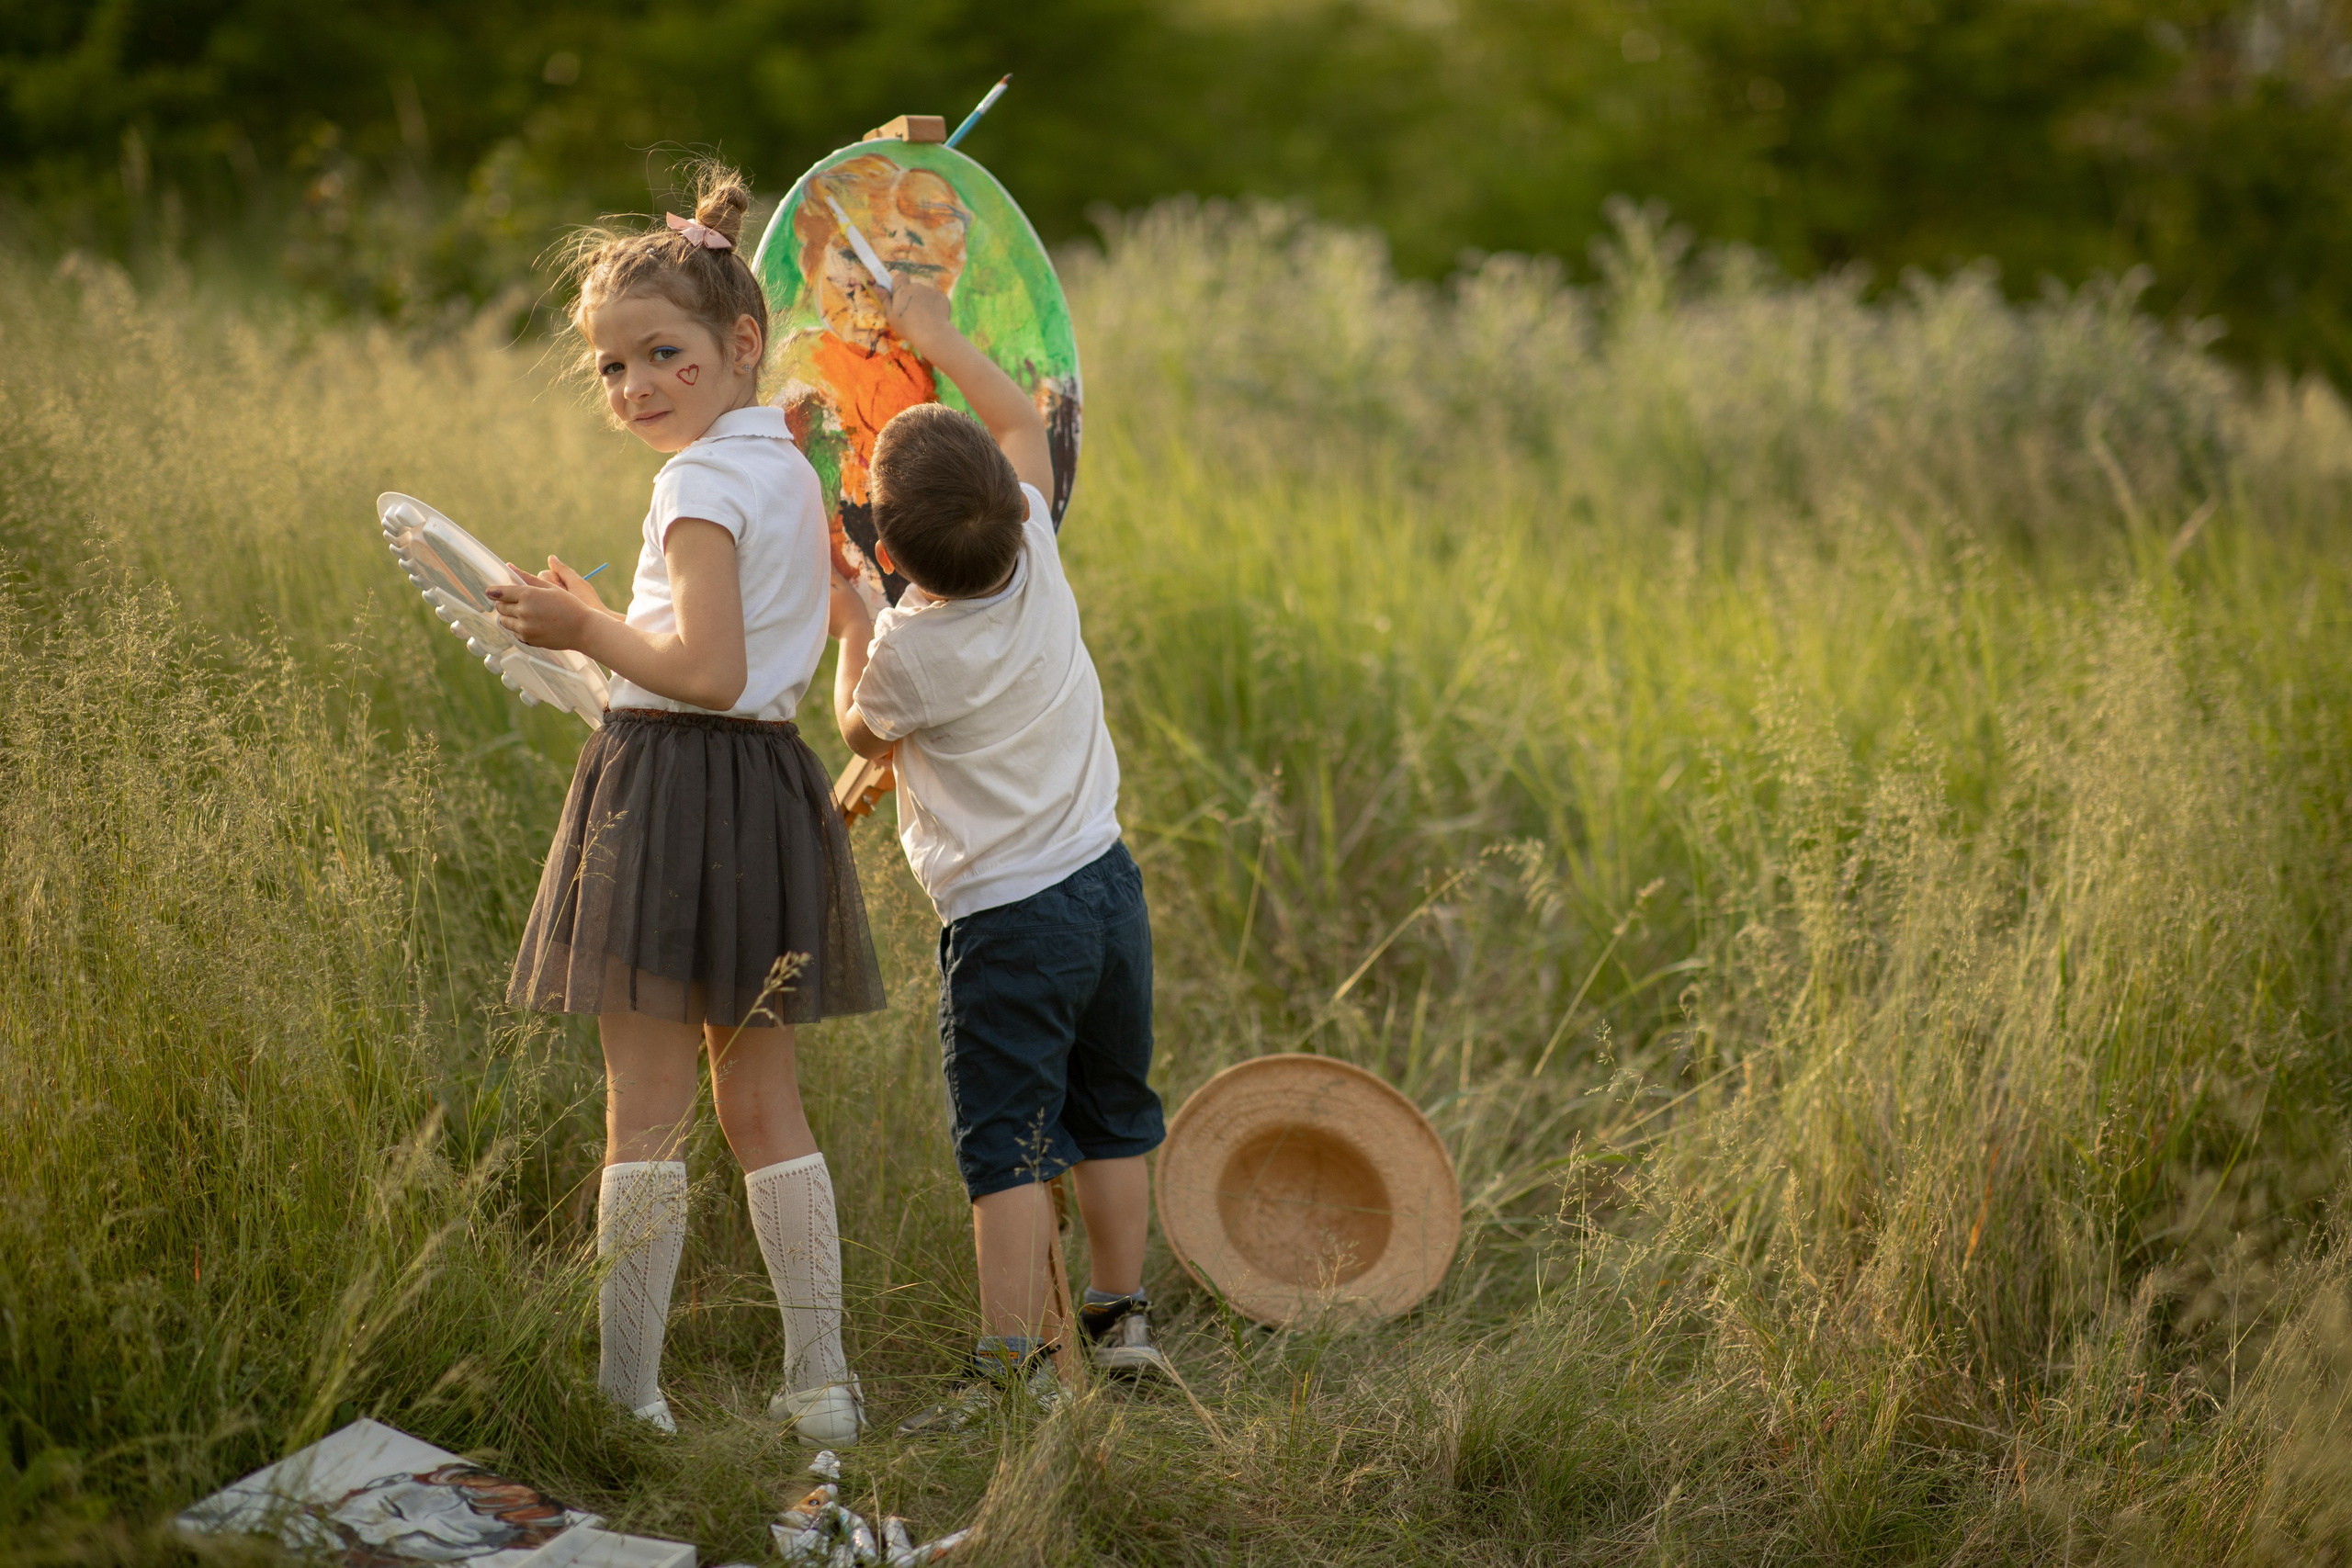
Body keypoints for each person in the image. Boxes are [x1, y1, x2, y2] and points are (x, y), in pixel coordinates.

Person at [488, 163, 888, 1444]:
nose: (636, 387)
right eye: (611, 368)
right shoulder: (782, 457)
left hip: (671, 789)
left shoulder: (695, 485)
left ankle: (628, 1394)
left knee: (645, 1108)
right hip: (767, 788)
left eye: (663, 354)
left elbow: (703, 672)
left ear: (741, 343)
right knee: (764, 1102)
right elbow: (747, 647)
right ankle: (822, 1382)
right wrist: (611, 621)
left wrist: (587, 624)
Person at [826, 274, 1171, 1434]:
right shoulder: (1036, 549)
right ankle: (1122, 1321)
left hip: (1007, 928)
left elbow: (859, 733)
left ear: (884, 540)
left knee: (1008, 1145)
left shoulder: (908, 653)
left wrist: (848, 625)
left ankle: (1014, 1362)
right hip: (1106, 889)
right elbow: (1023, 425)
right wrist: (939, 336)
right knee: (1112, 1110)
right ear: (1016, 508)